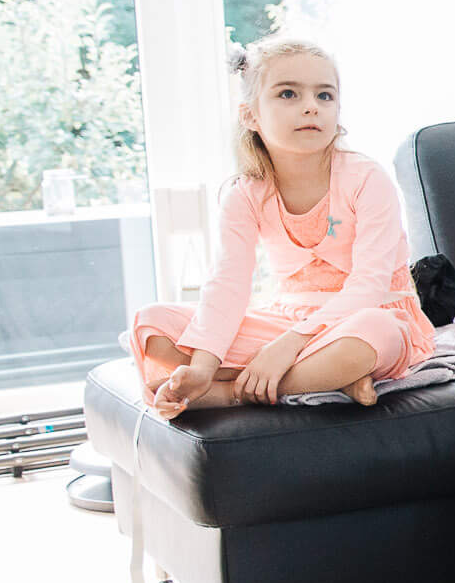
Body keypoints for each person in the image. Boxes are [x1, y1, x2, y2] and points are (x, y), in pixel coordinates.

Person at [131, 38, 435, 418]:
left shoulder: (366, 178)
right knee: (151, 323)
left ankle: (232, 392)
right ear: (250, 116)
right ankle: (325, 377)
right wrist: (201, 367)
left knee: (371, 334)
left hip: (368, 313)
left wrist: (286, 347)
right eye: (288, 93)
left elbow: (369, 286)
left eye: (325, 96)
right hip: (287, 318)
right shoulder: (244, 194)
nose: (311, 105)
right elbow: (228, 286)